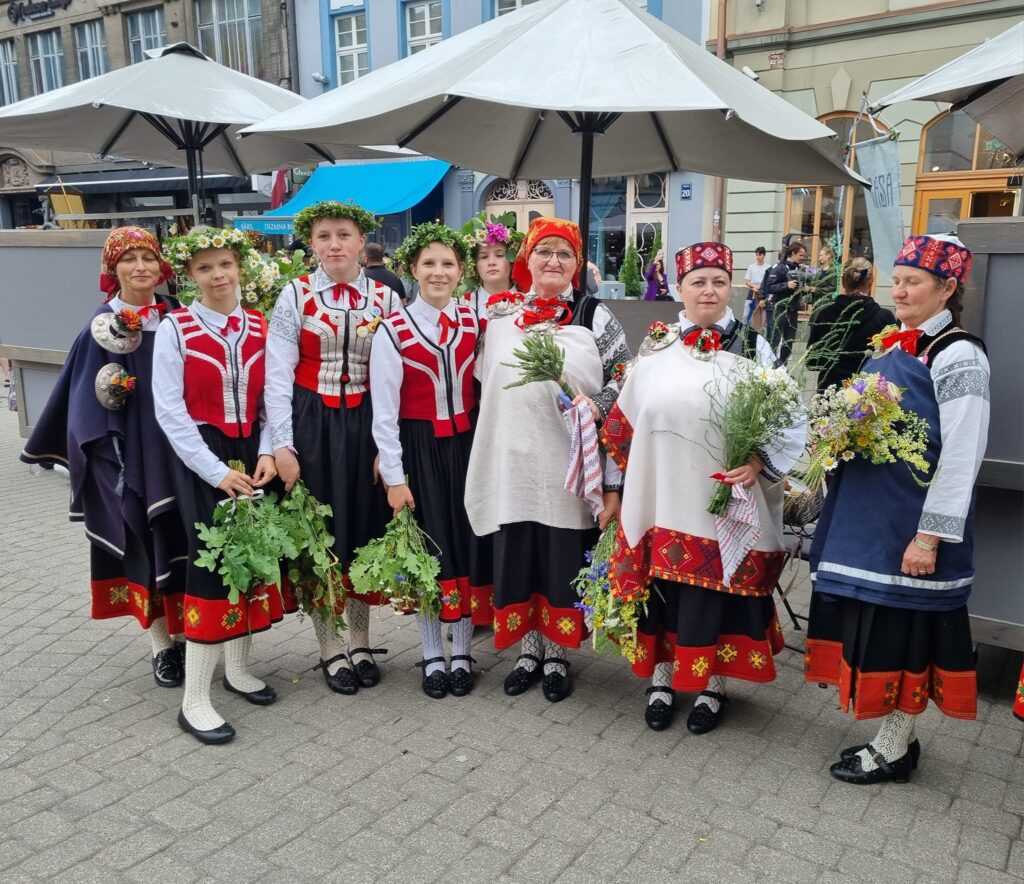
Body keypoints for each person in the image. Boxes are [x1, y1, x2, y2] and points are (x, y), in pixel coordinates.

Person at [806, 234, 990, 784]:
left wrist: (929, 538)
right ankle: (894, 740)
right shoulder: (895, 344)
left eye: (914, 282)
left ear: (947, 288)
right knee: (880, 629)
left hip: (910, 529)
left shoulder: (958, 354)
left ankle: (893, 748)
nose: (900, 291)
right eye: (898, 280)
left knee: (904, 636)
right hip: (873, 526)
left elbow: (962, 453)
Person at [602, 242, 806, 733]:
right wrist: (631, 485)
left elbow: (788, 419)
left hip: (725, 501)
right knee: (664, 590)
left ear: (730, 287)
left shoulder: (754, 348)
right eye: (698, 282)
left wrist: (756, 462)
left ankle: (712, 685)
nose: (708, 290)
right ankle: (662, 678)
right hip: (664, 497)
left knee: (718, 591)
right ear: (680, 288)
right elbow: (624, 425)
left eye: (718, 281)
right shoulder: (656, 348)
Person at [464, 216, 630, 702]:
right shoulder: (500, 316)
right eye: (544, 251)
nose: (553, 261)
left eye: (564, 254)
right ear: (527, 260)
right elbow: (479, 379)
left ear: (577, 264)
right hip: (512, 461)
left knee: (560, 558)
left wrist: (596, 404)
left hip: (568, 464)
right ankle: (528, 651)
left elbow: (625, 377)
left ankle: (557, 656)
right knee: (518, 554)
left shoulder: (594, 314)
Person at [21, 227, 189, 688]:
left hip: (187, 452)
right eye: (128, 259)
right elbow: (82, 402)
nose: (141, 267)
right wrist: (112, 455)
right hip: (134, 455)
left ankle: (186, 632)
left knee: (184, 541)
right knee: (146, 541)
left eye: (148, 257)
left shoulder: (179, 314)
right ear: (113, 269)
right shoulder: (103, 327)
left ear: (161, 265)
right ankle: (162, 645)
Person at [154, 226, 289, 744]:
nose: (218, 275)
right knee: (212, 569)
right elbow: (170, 411)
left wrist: (267, 452)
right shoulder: (177, 328)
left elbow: (271, 401)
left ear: (240, 268)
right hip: (202, 459)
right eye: (205, 268)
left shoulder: (258, 324)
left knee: (252, 560)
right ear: (189, 275)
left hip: (252, 452)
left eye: (225, 264)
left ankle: (236, 669)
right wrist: (215, 471)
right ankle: (194, 700)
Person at [266, 201, 401, 695]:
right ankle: (329, 646)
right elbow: (276, 373)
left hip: (366, 423)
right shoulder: (295, 294)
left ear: (362, 241)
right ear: (312, 244)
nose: (335, 245)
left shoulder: (386, 297)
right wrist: (282, 444)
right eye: (324, 236)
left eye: (344, 235)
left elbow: (397, 375)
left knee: (363, 530)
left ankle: (360, 641)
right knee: (318, 536)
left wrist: (389, 446)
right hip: (312, 424)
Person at [370, 223, 491, 698]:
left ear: (461, 271)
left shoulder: (475, 322)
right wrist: (395, 477)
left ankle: (462, 651)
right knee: (429, 549)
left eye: (448, 264)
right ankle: (431, 653)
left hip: (467, 448)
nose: (438, 272)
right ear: (412, 269)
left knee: (464, 545)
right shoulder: (392, 330)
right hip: (418, 448)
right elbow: (384, 413)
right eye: (429, 264)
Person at [806, 257, 896, 392]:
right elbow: (892, 362)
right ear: (871, 281)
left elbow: (812, 361)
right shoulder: (884, 317)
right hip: (869, 395)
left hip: (830, 391)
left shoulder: (825, 314)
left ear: (843, 282)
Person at [462, 215, 522, 315]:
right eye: (484, 257)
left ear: (512, 262)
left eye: (499, 255)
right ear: (475, 265)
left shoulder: (528, 304)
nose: (491, 262)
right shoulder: (462, 306)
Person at [763, 240, 808, 364]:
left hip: (793, 309)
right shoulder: (779, 268)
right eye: (800, 255)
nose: (802, 258)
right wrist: (786, 285)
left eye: (804, 255)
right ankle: (770, 365)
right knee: (775, 339)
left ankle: (782, 366)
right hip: (780, 308)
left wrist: (804, 289)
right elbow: (769, 287)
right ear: (792, 253)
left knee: (789, 341)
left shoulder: (800, 269)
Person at [742, 246, 769, 326]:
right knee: (746, 314)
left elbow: (769, 282)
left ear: (764, 255)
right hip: (752, 292)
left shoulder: (768, 267)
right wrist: (754, 287)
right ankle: (744, 330)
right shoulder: (751, 267)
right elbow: (747, 282)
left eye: (760, 255)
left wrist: (761, 287)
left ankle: (758, 331)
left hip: (763, 293)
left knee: (762, 317)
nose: (758, 257)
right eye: (756, 255)